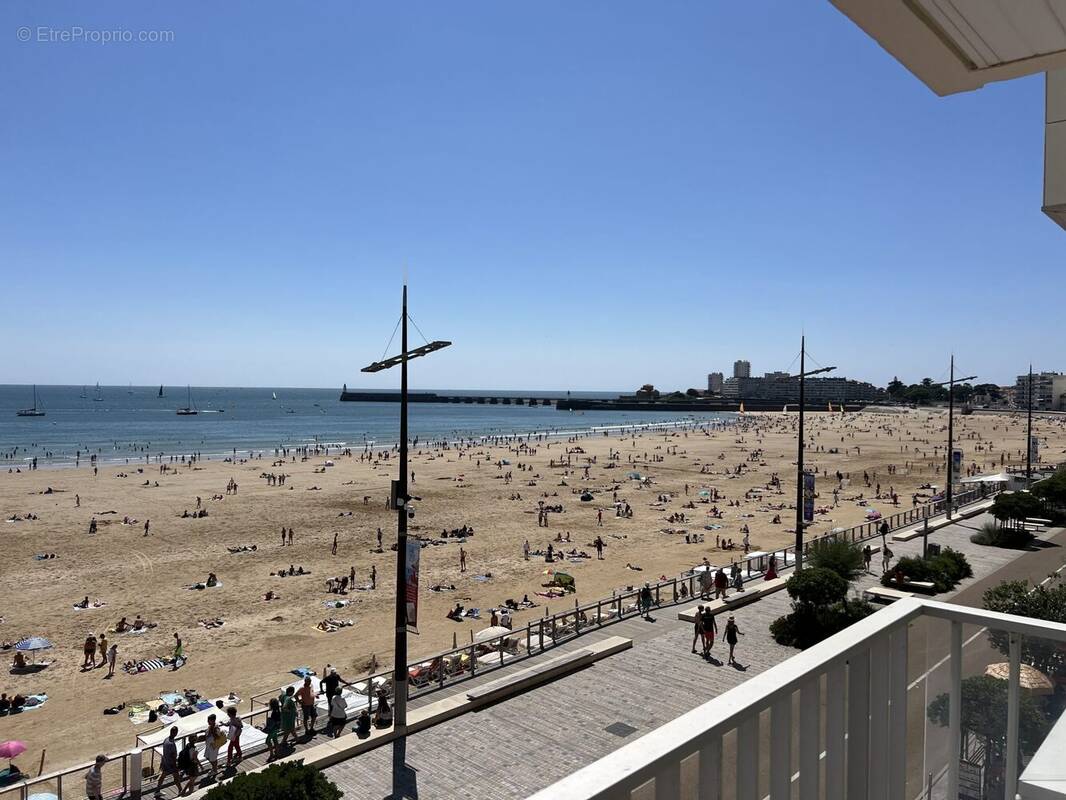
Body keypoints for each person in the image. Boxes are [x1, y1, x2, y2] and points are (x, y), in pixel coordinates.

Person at [157, 727, 179, 795]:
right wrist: (175, 765)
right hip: (171, 764)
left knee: (162, 777)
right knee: (176, 777)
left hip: (165, 762)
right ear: (175, 733)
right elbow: (173, 756)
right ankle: (181, 790)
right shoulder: (171, 744)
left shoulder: (166, 740)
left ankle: (157, 791)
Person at [202, 714, 223, 779]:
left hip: (213, 746)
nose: (208, 721)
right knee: (208, 757)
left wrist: (213, 732)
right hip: (209, 746)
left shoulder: (216, 728)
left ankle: (215, 770)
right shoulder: (210, 726)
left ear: (213, 720)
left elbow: (218, 737)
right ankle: (214, 768)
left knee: (213, 758)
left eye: (209, 720)